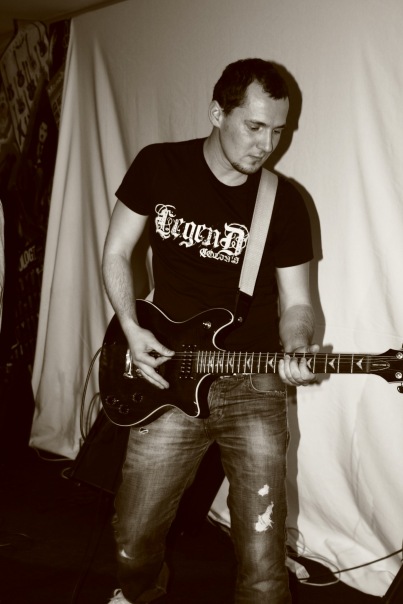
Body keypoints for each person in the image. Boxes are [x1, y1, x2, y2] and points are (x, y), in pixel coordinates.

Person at [102, 58, 318, 604]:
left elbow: (297, 302)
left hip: (253, 383)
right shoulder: (159, 165)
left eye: (278, 131)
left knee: (262, 555)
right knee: (134, 533)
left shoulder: (285, 203)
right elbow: (117, 251)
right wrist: (130, 327)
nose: (267, 145)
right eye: (255, 126)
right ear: (217, 113)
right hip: (169, 372)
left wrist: (297, 345)